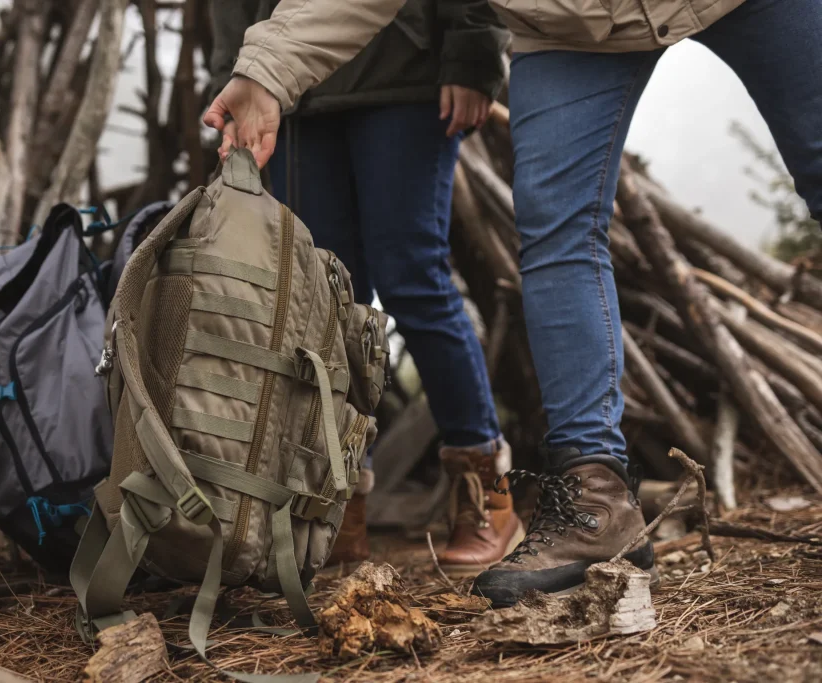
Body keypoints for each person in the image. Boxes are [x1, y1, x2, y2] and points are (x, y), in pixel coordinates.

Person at [203, 0, 822, 605]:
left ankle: (485, 491)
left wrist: (469, 56)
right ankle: (594, 503)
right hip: (569, 22)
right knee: (557, 235)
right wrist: (265, 70)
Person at [208, 0, 524, 576]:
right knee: (324, 300)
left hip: (405, 70)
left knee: (413, 279)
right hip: (297, 90)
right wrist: (237, 73)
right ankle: (339, 506)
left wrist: (474, 49)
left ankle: (487, 497)